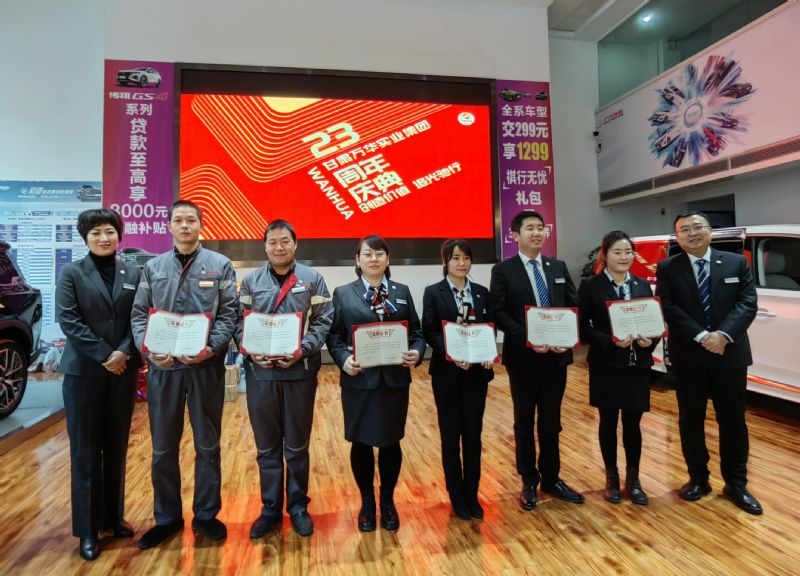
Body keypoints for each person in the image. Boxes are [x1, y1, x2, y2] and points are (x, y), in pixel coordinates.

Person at [131, 200, 239, 549]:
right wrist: (149, 351)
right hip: (164, 369)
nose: (184, 225)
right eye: (178, 220)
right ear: (169, 226)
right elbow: (139, 314)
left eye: (190, 220)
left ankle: (206, 514)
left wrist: (212, 348)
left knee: (208, 444)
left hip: (205, 367)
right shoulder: (153, 267)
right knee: (163, 447)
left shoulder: (220, 265)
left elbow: (229, 314)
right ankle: (167, 517)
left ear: (200, 224)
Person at [656, 211, 762, 514]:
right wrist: (703, 335)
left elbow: (747, 303)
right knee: (691, 419)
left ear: (709, 230)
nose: (692, 233)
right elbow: (668, 306)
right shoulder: (668, 267)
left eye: (697, 227)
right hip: (689, 356)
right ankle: (698, 479)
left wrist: (723, 335)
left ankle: (736, 484)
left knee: (733, 421)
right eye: (684, 229)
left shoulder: (736, 263)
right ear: (677, 237)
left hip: (730, 354)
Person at [235, 219, 333, 538]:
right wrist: (251, 351)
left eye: (285, 241)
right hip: (261, 374)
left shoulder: (312, 279)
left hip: (299, 374)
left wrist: (303, 349)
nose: (279, 247)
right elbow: (238, 322)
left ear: (295, 244)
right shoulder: (251, 281)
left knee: (297, 445)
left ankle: (299, 507)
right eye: (273, 242)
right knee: (266, 447)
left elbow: (324, 320)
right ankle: (270, 509)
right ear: (265, 246)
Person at [56, 208, 142, 561]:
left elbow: (140, 317)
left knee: (116, 446)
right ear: (85, 238)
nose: (103, 238)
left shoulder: (133, 272)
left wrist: (124, 352)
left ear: (119, 235)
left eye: (109, 231)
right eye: (95, 233)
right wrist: (106, 354)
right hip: (84, 374)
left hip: (123, 372)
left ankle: (113, 518)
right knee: (86, 452)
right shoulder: (72, 272)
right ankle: (88, 530)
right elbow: (69, 319)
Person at [326, 235, 426, 532]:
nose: (373, 259)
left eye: (379, 254)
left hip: (394, 380)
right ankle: (367, 502)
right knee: (361, 442)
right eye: (367, 254)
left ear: (388, 259)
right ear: (358, 260)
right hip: (359, 380)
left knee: (391, 441)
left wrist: (417, 352)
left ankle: (387, 500)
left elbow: (416, 332)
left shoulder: (401, 291)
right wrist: (344, 359)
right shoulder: (343, 293)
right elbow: (334, 336)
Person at [490, 210, 584, 510]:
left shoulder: (557, 266)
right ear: (515, 235)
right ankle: (529, 480)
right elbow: (499, 313)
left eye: (541, 228)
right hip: (523, 358)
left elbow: (573, 304)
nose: (537, 233)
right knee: (524, 420)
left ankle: (552, 478)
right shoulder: (503, 270)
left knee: (551, 420)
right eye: (530, 228)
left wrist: (566, 334)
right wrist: (530, 337)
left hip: (556, 357)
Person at [578, 231, 658, 505]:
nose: (624, 257)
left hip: (637, 366)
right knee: (608, 421)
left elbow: (652, 321)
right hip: (606, 365)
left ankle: (633, 480)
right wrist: (609, 340)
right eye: (617, 252)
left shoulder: (642, 285)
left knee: (633, 424)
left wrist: (650, 341)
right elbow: (582, 325)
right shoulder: (591, 285)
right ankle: (611, 478)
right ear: (605, 255)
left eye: (628, 252)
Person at [422, 239, 494, 520]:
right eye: (455, 258)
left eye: (466, 258)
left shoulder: (481, 292)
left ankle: (472, 493)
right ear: (445, 262)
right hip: (447, 375)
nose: (461, 263)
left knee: (473, 435)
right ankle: (456, 495)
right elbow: (430, 330)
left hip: (477, 374)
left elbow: (489, 327)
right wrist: (452, 353)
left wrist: (488, 351)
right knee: (450, 436)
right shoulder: (433, 292)